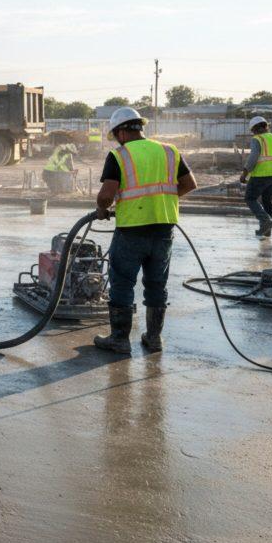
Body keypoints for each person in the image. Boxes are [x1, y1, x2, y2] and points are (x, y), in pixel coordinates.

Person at [92, 106, 196, 356]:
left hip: (132, 230)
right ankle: (154, 339)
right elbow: (189, 184)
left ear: (121, 132)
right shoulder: (169, 151)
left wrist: (101, 209)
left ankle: (119, 340)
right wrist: (161, 201)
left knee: (122, 283)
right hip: (164, 228)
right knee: (157, 285)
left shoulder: (120, 155)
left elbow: (106, 195)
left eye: (115, 135)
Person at [238, 115, 272, 238]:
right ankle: (266, 230)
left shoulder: (257, 139)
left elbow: (253, 157)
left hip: (260, 174)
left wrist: (244, 173)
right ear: (266, 126)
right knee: (267, 201)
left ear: (254, 129)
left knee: (250, 198)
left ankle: (265, 221)